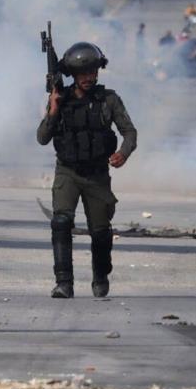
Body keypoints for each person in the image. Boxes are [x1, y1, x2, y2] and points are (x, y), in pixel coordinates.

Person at [36, 42, 138, 299]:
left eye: (92, 72)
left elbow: (129, 132)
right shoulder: (61, 99)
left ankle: (100, 275)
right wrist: (54, 110)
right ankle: (64, 282)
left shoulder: (108, 100)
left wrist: (123, 154)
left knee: (101, 232)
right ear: (73, 74)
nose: (89, 78)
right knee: (60, 222)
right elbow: (42, 138)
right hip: (68, 171)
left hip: (97, 175)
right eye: (83, 74)